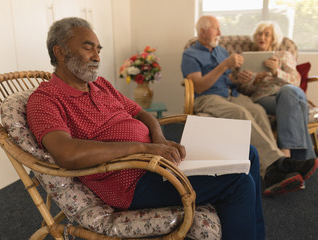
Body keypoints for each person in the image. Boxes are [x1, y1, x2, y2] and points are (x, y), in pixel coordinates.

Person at [27, 17, 265, 239]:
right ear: (60, 52)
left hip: (156, 160)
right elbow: (67, 153)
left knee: (248, 152)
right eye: (88, 48)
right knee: (238, 183)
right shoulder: (45, 100)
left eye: (98, 49)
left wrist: (159, 139)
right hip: (131, 182)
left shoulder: (100, 85)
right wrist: (144, 148)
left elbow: (140, 113)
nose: (97, 56)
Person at [181, 15, 317, 196]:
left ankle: (277, 164)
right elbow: (199, 85)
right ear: (203, 31)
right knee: (241, 112)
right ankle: (274, 167)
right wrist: (224, 66)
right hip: (208, 97)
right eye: (216, 29)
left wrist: (238, 79)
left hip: (230, 94)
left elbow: (229, 80)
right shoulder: (190, 54)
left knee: (258, 110)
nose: (220, 33)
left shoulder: (221, 50)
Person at [237, 21, 318, 185]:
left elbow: (296, 80)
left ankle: (285, 156)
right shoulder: (250, 59)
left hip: (290, 94)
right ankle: (300, 161)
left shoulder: (283, 55)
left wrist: (276, 72)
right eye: (260, 34)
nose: (262, 37)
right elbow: (243, 89)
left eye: (267, 34)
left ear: (273, 38)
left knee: (288, 92)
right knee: (296, 107)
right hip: (265, 98)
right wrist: (254, 80)